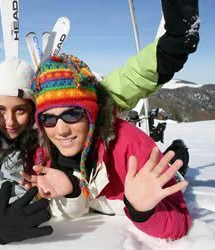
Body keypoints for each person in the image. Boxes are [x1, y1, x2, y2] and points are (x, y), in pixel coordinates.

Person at [17, 53, 190, 240]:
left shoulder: (131, 146)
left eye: (73, 114)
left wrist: (141, 211)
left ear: (91, 113)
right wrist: (73, 190)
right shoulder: (41, 155)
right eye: (48, 118)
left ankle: (179, 148)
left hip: (159, 166)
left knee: (175, 162)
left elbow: (180, 221)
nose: (61, 130)